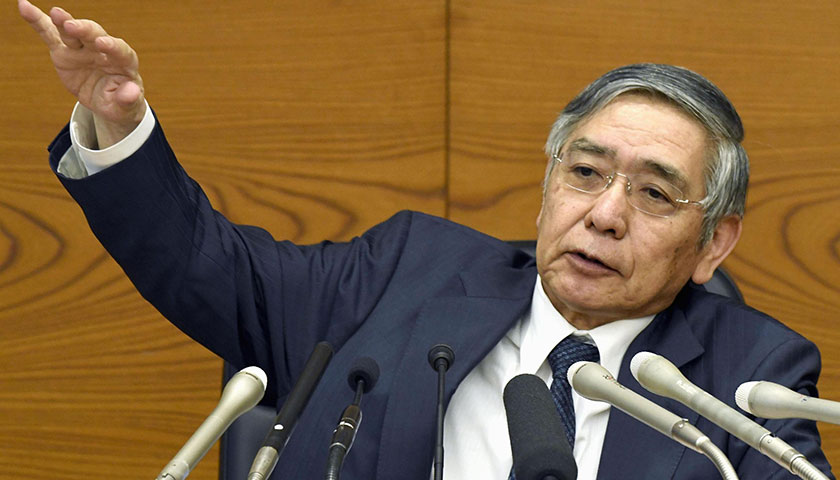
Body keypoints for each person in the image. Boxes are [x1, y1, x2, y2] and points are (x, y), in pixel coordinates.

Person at [19, 1, 834, 479]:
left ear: (714, 244)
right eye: (585, 173)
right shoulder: (405, 273)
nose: (605, 214)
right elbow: (211, 269)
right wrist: (118, 126)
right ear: (550, 181)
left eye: (654, 193)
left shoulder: (750, 375)